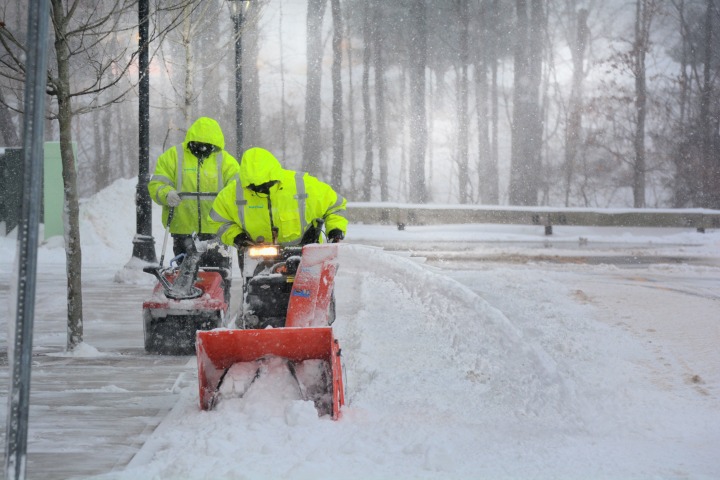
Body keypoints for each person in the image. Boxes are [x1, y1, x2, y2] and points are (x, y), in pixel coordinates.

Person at [208, 147, 347, 251]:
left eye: (265, 184)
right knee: (256, 290)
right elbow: (217, 221)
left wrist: (335, 230)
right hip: (258, 255)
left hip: (306, 252)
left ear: (275, 176)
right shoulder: (232, 193)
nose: (261, 190)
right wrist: (238, 238)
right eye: (253, 187)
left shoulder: (303, 185)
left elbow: (335, 206)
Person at [148, 117, 240, 273]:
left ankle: (218, 296)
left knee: (218, 276)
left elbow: (237, 188)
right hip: (183, 229)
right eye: (199, 144)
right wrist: (166, 193)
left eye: (207, 145)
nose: (203, 149)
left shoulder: (226, 162)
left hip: (216, 232)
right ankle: (190, 297)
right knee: (186, 275)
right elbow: (156, 184)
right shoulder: (173, 157)